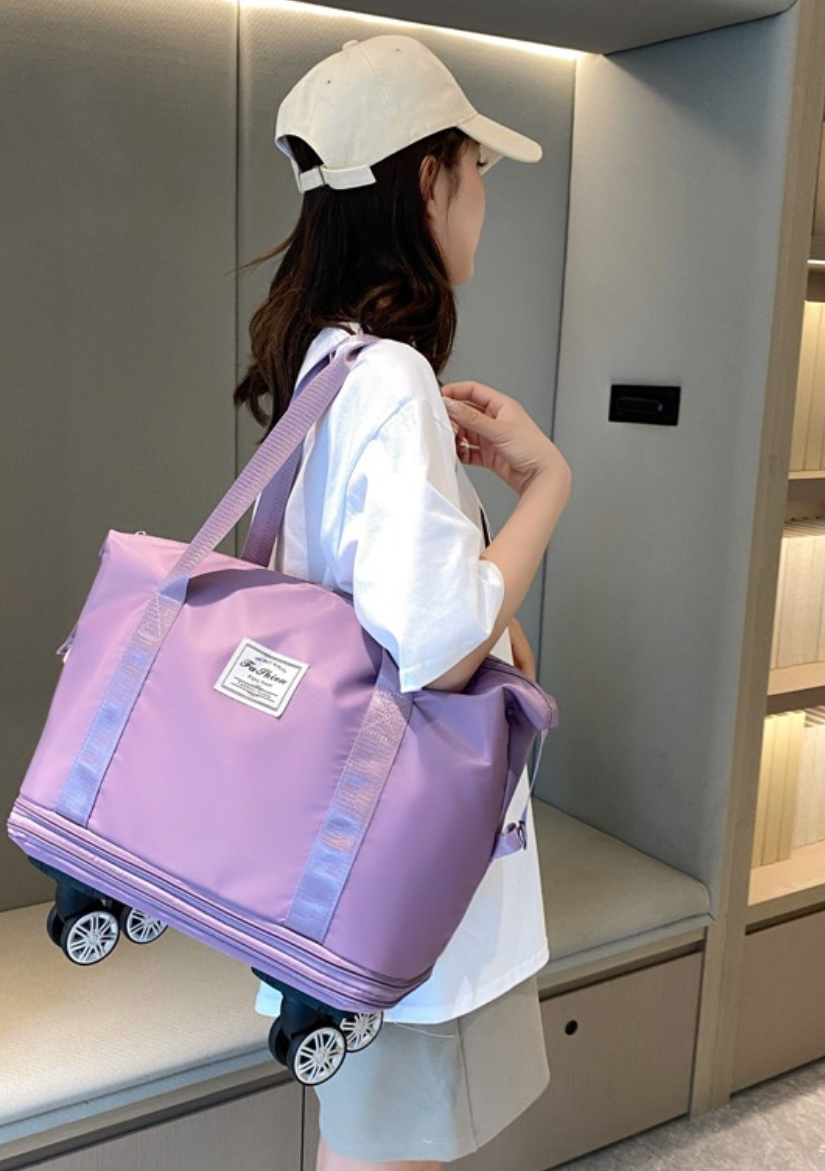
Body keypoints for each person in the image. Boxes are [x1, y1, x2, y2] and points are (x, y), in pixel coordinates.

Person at [232, 34, 573, 1171]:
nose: (480, 201)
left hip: (333, 846)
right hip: (404, 864)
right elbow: (436, 643)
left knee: (369, 1141)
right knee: (403, 1152)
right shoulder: (392, 379)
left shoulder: (324, 365)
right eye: (474, 172)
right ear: (431, 181)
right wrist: (547, 487)